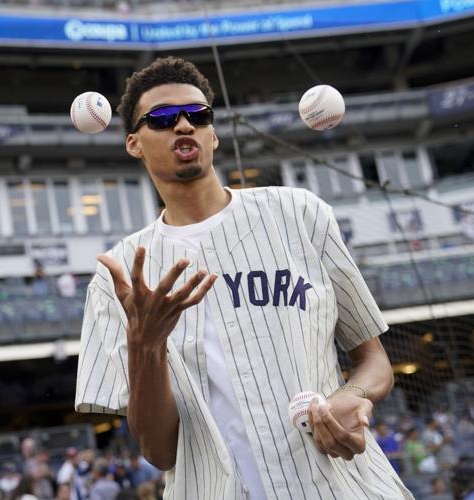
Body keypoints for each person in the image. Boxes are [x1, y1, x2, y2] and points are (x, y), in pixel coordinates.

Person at [74, 56, 412, 499]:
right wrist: (146, 344)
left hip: (341, 486)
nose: (183, 125)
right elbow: (160, 451)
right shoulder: (118, 278)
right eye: (161, 118)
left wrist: (354, 394)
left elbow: (374, 360)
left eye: (198, 115)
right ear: (134, 143)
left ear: (212, 133)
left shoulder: (299, 214)